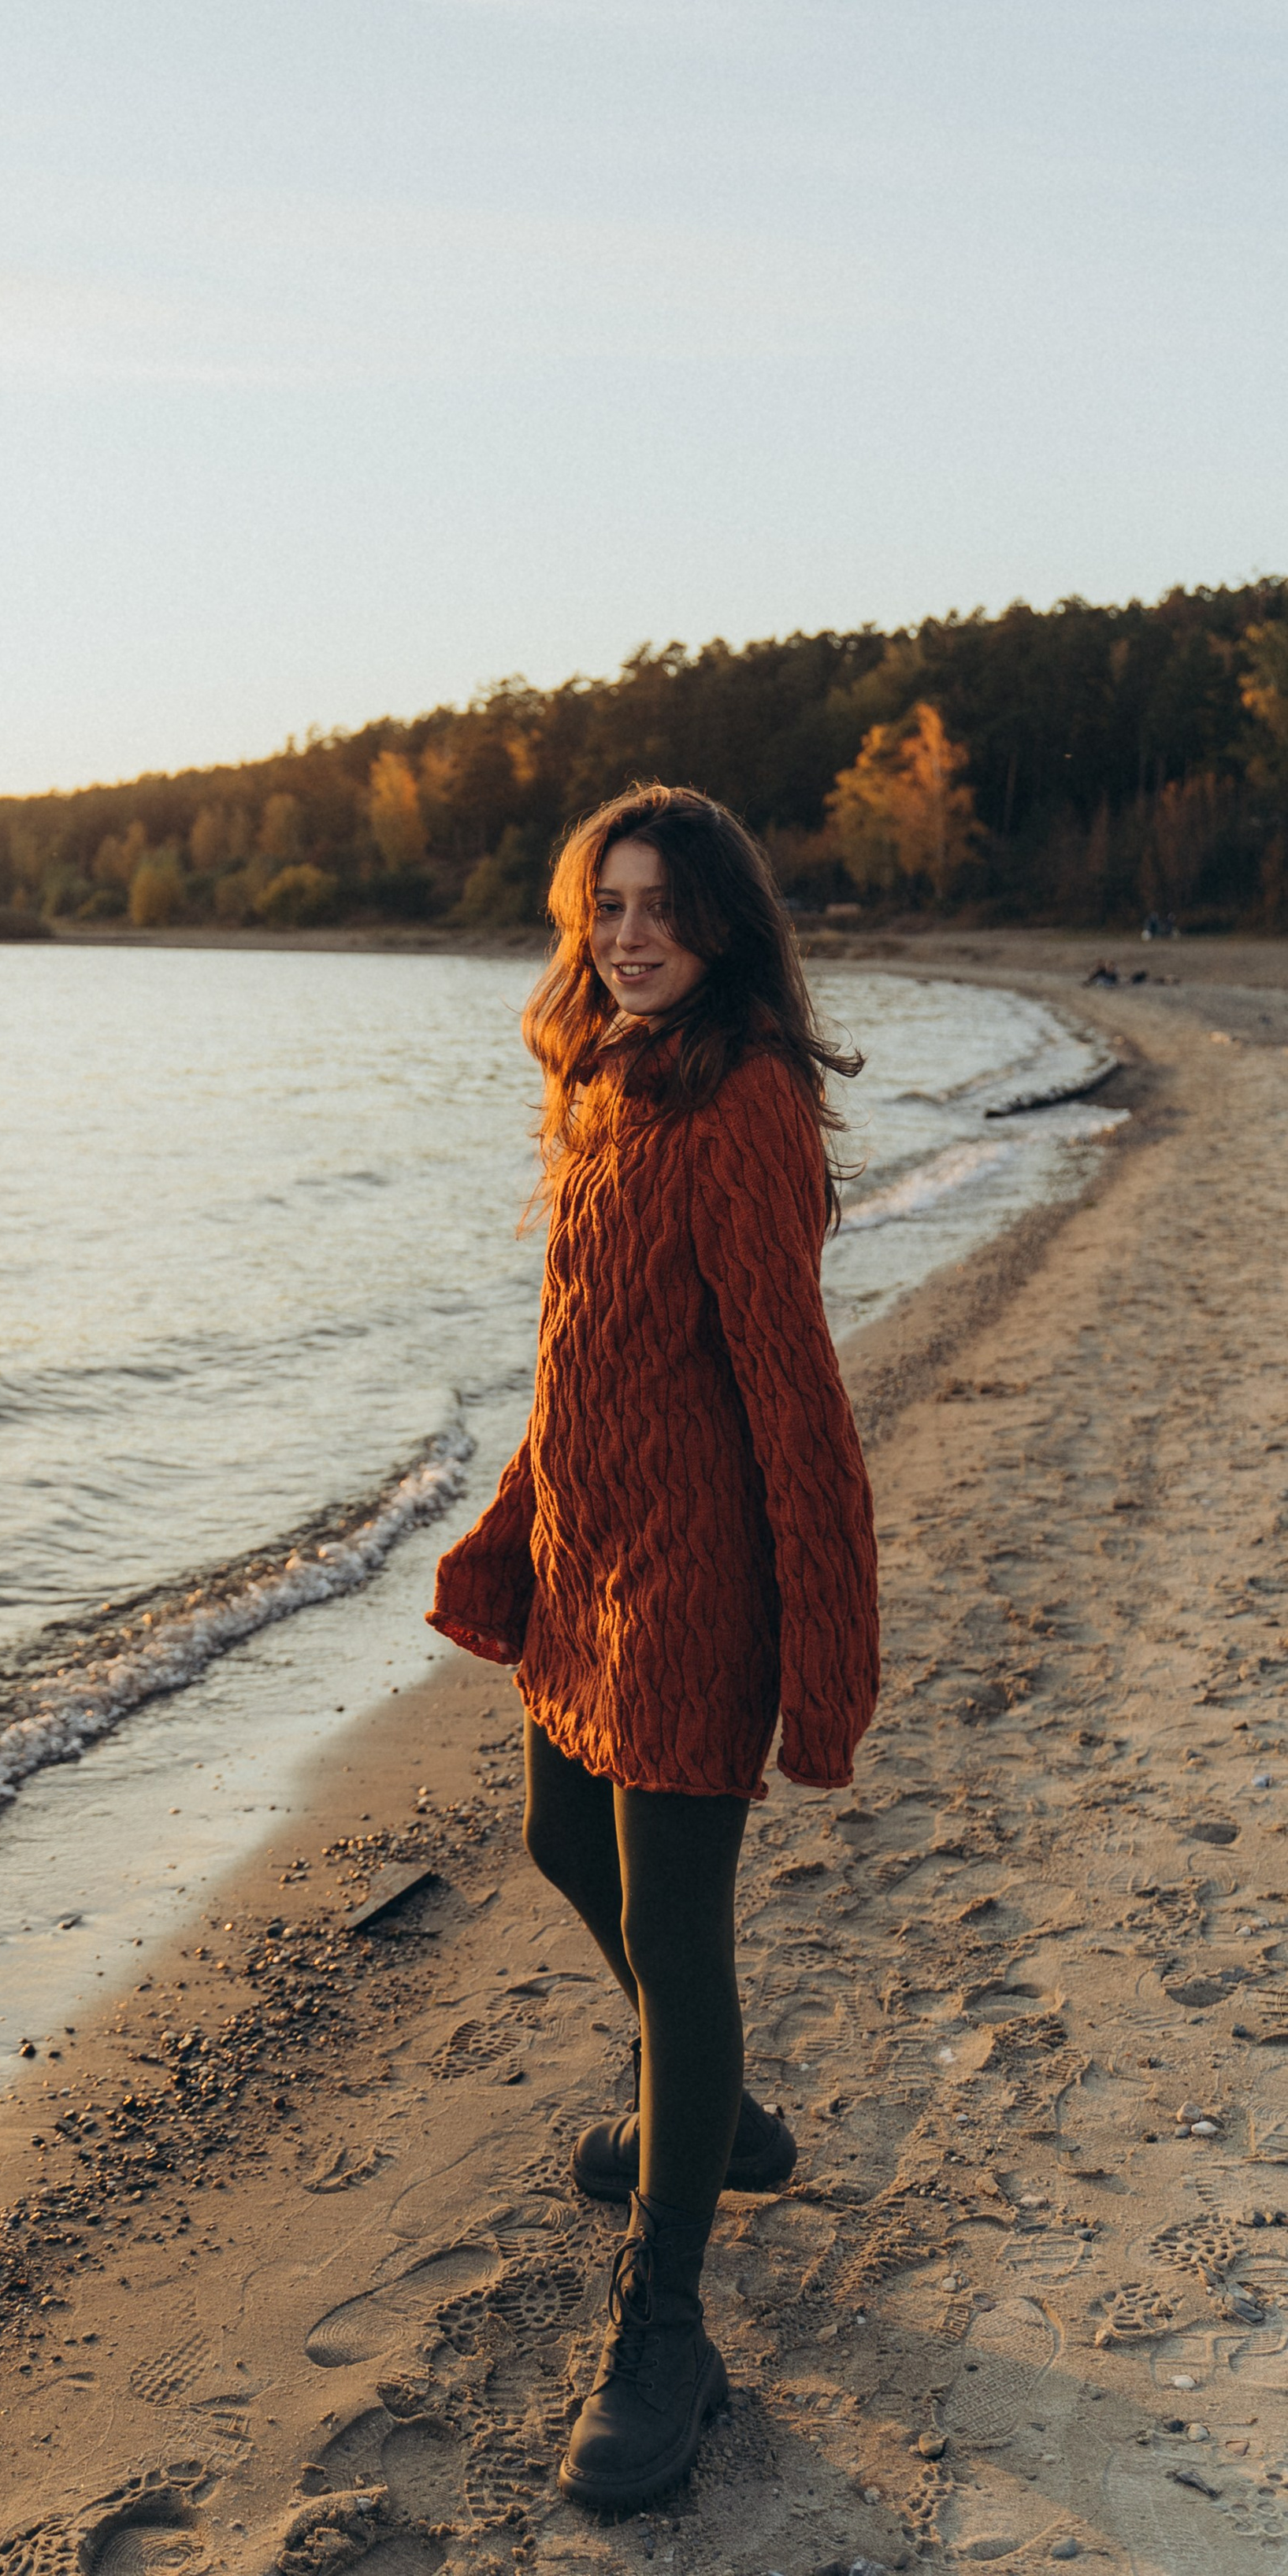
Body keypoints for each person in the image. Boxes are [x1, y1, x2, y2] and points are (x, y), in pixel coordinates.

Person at [428, 784, 880, 2514]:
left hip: (696, 1585)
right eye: (603, 906)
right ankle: (716, 2116)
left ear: (722, 920)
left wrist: (824, 1636)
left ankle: (666, 2324)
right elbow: (586, 1351)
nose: (627, 936)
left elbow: (793, 1392)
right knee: (561, 1841)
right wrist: (518, 1521)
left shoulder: (742, 1101)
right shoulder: (608, 1079)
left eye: (659, 906)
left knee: (677, 1941)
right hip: (587, 1557)